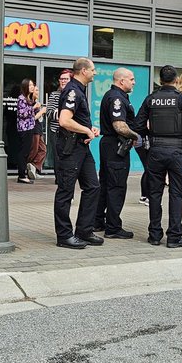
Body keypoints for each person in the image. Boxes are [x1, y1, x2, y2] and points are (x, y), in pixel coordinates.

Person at [132, 65, 182, 248]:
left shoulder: (151, 99)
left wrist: (151, 136)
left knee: (155, 193)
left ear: (160, 80)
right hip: (177, 151)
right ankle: (174, 236)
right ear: (177, 80)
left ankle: (155, 235)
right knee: (176, 193)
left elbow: (138, 125)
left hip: (155, 151)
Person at [53, 58, 104, 249]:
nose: (95, 73)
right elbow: (64, 120)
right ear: (83, 71)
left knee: (92, 187)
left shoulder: (79, 90)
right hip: (70, 148)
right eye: (92, 70)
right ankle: (64, 235)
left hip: (81, 147)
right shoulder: (73, 90)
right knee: (66, 191)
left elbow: (76, 120)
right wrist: (87, 131)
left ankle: (84, 230)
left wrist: (89, 128)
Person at [94, 68, 140, 238]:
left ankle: (97, 221)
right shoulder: (116, 99)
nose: (134, 82)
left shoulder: (112, 95)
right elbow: (119, 125)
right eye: (132, 79)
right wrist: (136, 136)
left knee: (106, 184)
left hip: (109, 146)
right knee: (116, 186)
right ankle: (113, 228)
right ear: (121, 81)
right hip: (116, 146)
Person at [15, 79, 46, 184]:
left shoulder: (29, 99)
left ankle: (24, 173)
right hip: (24, 128)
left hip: (30, 127)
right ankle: (21, 175)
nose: (33, 87)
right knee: (23, 152)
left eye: (33, 85)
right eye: (30, 85)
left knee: (27, 151)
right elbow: (22, 114)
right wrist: (34, 108)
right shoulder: (21, 98)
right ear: (25, 87)